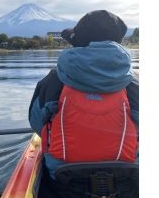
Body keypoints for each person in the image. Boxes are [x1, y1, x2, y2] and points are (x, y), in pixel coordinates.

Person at [28, 10, 139, 180]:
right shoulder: (135, 84)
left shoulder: (54, 80)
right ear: (118, 42)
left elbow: (36, 124)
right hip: (126, 182)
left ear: (78, 41)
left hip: (65, 184)